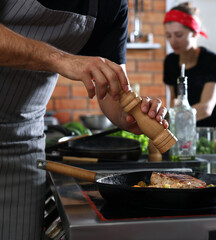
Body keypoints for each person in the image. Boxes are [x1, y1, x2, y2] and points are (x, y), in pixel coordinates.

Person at [0, 0, 168, 239]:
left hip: (22, 143)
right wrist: (61, 59)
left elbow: (113, 90)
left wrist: (128, 115)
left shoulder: (112, 6)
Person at [163, 2, 216, 127]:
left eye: (179, 35)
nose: (173, 41)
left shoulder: (213, 61)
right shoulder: (170, 62)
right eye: (168, 35)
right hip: (191, 129)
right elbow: (174, 101)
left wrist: (174, 121)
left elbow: (206, 108)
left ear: (194, 33)